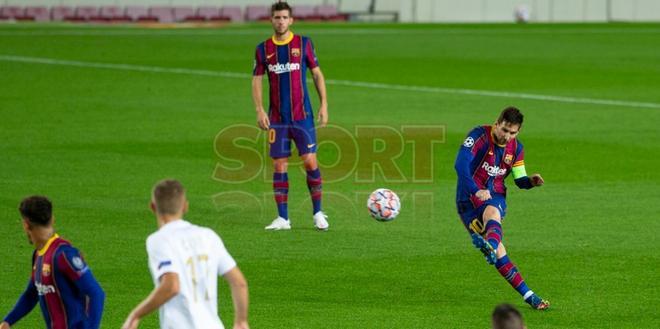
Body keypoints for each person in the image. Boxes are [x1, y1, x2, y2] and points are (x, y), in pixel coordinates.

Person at [454, 106, 550, 310]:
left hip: (495, 195)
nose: (507, 136)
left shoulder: (516, 149)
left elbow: (520, 179)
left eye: (512, 132)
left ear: (518, 132)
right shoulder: (478, 135)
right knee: (500, 254)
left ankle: (528, 295)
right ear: (497, 124)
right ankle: (526, 291)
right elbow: (460, 165)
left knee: (492, 213)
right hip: (467, 200)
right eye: (504, 130)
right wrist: (474, 190)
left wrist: (531, 182)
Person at [122, 179, 249, 329]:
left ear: (153, 207)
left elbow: (172, 286)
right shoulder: (208, 236)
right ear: (185, 207)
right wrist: (241, 321)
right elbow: (239, 282)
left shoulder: (159, 240)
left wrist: (136, 314)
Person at [252, 1, 329, 231]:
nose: (281, 21)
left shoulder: (304, 43)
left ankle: (317, 213)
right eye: (277, 17)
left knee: (309, 161)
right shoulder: (263, 49)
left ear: (291, 20)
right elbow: (256, 79)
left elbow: (317, 74)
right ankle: (283, 218)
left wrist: (324, 104)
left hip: (302, 115)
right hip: (277, 118)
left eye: (285, 17)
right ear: (271, 20)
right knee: (279, 164)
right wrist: (259, 109)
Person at [1, 196, 105, 329]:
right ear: (52, 219)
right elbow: (31, 293)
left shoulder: (64, 254)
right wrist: (8, 321)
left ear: (26, 224)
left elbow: (96, 293)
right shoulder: (39, 255)